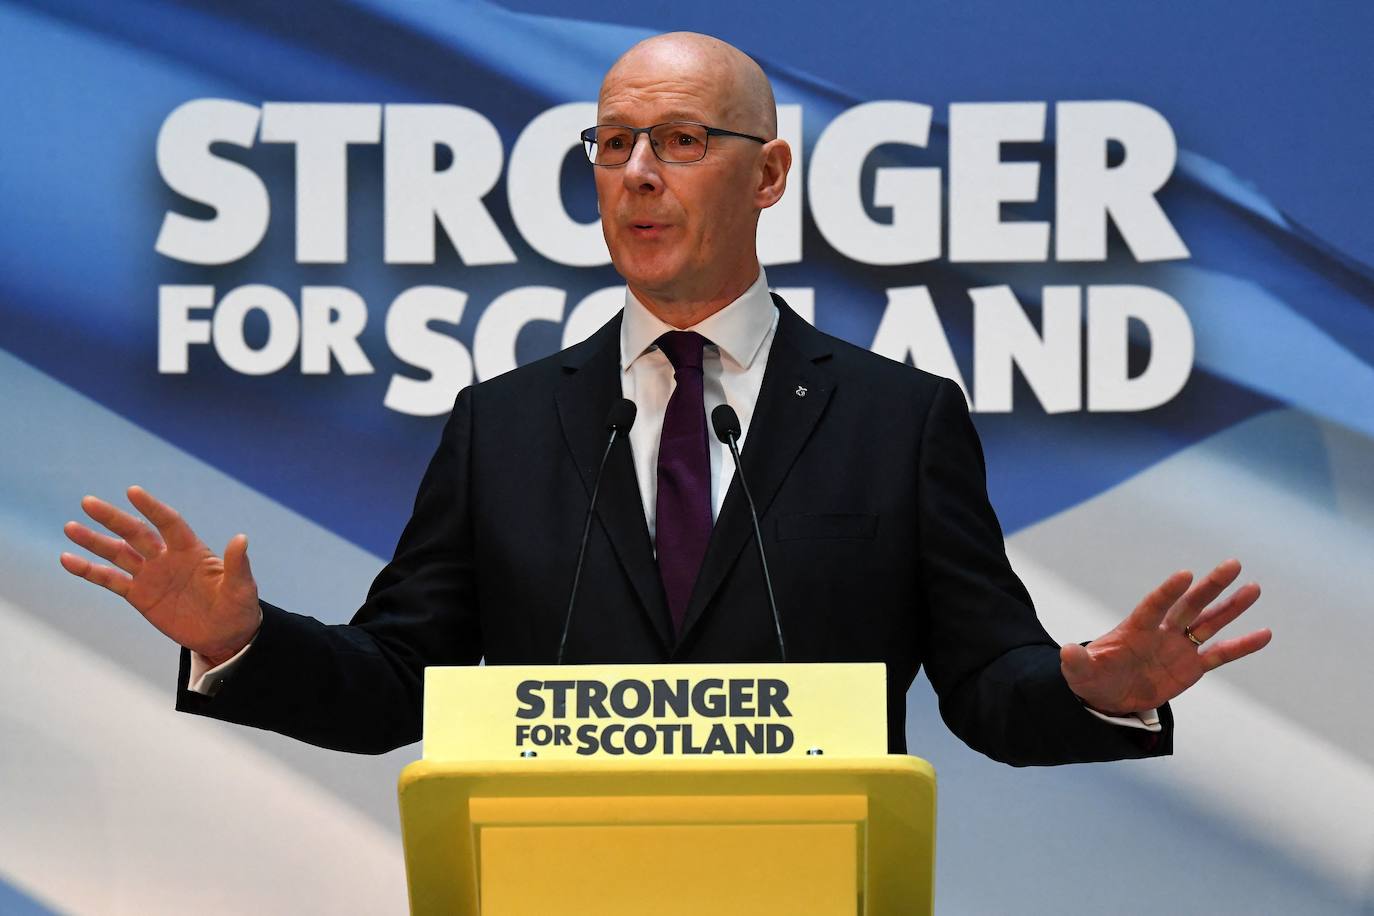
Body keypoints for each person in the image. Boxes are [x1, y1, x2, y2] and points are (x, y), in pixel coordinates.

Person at [60, 32, 1270, 762]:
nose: (636, 173)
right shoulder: (506, 423)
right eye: (611, 142)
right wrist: (238, 643)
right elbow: (398, 682)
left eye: (682, 140)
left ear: (770, 174)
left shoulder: (898, 423)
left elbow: (985, 684)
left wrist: (1086, 690)